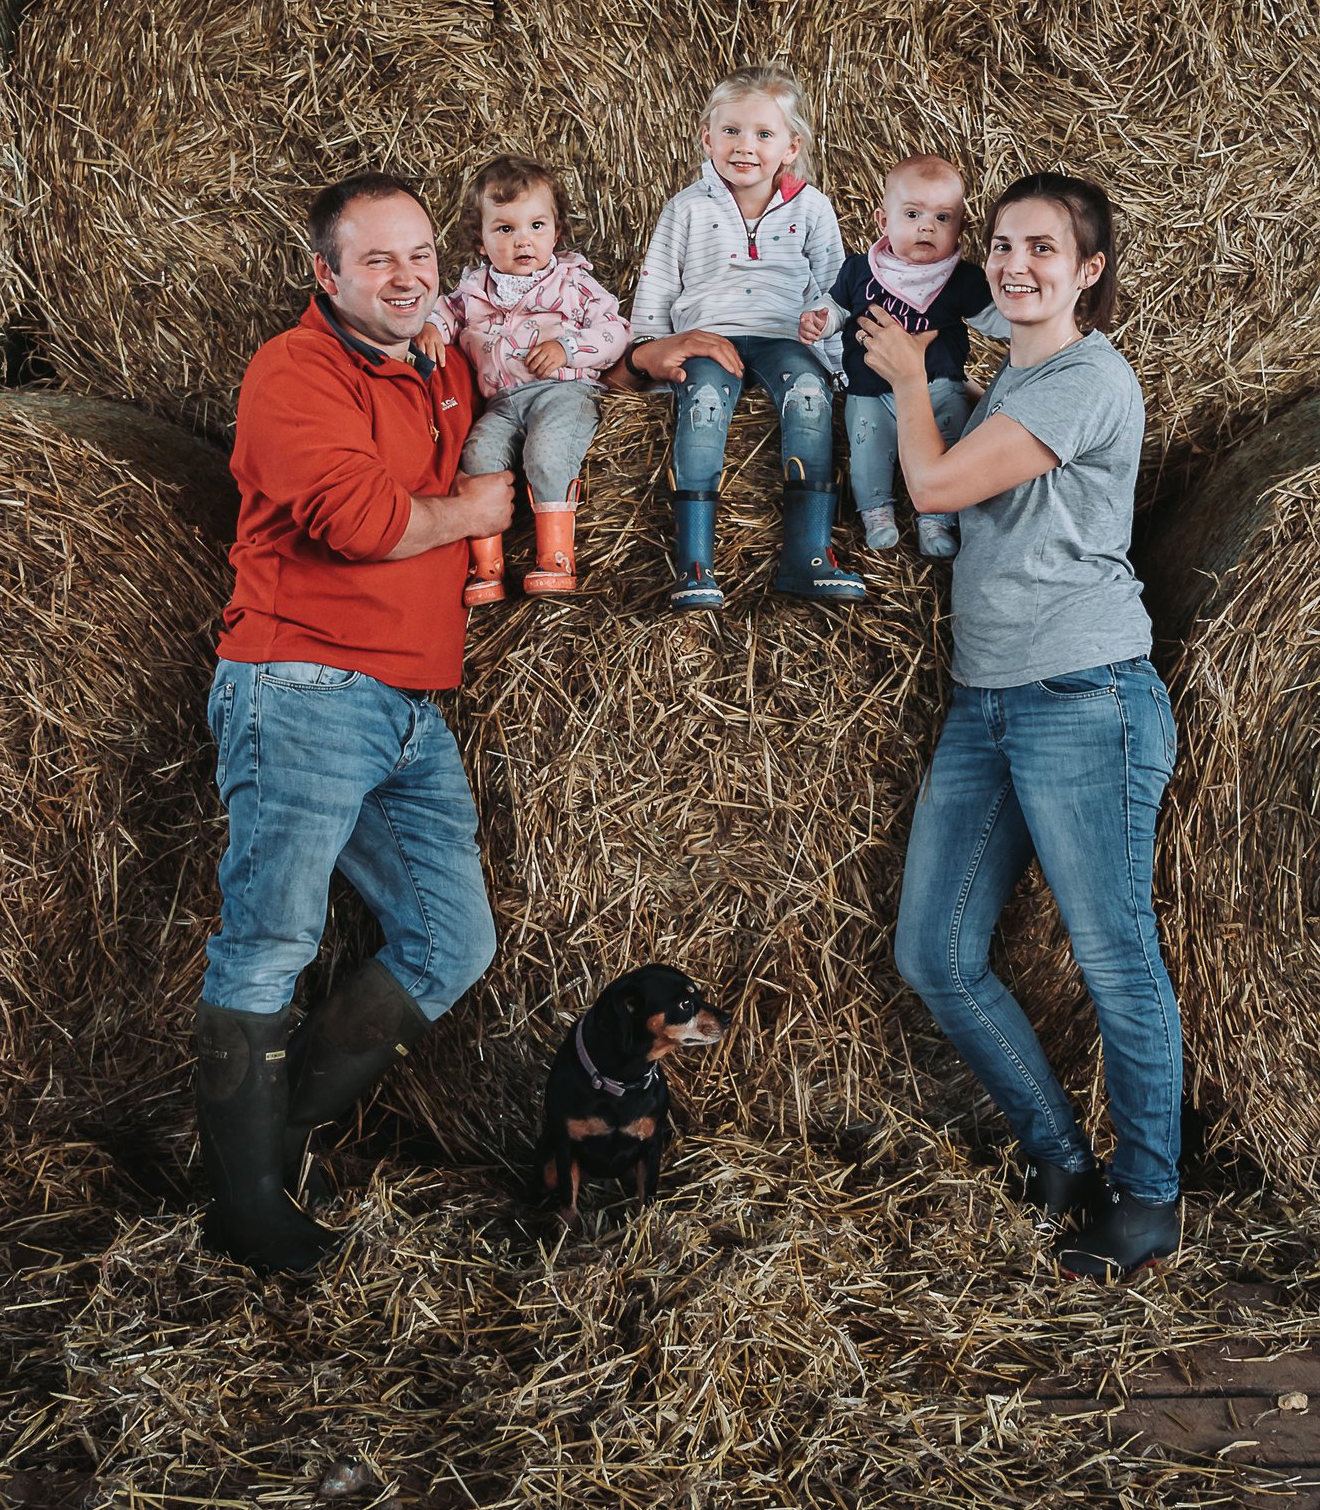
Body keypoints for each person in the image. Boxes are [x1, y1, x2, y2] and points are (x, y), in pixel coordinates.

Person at [871, 171, 1185, 1283]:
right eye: (1000, 244)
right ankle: (1058, 1159)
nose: (1013, 264)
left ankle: (1147, 1196)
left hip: (1082, 698)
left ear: (1087, 271)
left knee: (1114, 957)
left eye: (1041, 248)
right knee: (934, 954)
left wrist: (909, 375)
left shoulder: (1087, 378)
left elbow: (940, 486)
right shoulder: (1017, 370)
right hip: (988, 701)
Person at [195, 173, 511, 1274]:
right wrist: (472, 512)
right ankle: (243, 1212)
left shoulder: (442, 362)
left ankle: (267, 1148)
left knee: (451, 938)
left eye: (420, 253)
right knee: (271, 940)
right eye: (377, 259)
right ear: (324, 274)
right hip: (301, 687)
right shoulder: (294, 371)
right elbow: (363, 521)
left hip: (409, 704)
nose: (406, 275)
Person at [626, 65, 865, 610]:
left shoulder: (812, 208)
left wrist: (829, 343)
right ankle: (695, 562)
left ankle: (808, 555)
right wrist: (654, 355)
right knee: (703, 402)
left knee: (809, 399)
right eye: (730, 131)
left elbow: (837, 288)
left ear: (790, 146)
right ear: (707, 137)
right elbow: (659, 281)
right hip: (707, 338)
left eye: (763, 134)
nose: (744, 146)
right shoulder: (686, 208)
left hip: (785, 337)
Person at [418, 155, 630, 604]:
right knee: (476, 456)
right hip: (502, 403)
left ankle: (555, 556)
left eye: (537, 226)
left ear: (557, 230)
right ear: (480, 240)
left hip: (564, 390)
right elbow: (444, 311)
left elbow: (617, 330)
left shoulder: (573, 283)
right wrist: (433, 327)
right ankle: (487, 567)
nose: (523, 241)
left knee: (547, 451)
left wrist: (568, 349)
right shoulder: (473, 291)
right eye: (505, 229)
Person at [800, 153, 1004, 559]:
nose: (927, 226)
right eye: (912, 214)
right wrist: (821, 321)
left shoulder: (962, 279)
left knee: (950, 444)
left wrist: (1035, 325)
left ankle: (936, 519)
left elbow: (995, 319)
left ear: (960, 227)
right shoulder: (859, 270)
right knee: (867, 451)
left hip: (939, 387)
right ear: (883, 221)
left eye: (943, 218)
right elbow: (838, 309)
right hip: (869, 390)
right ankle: (877, 512)